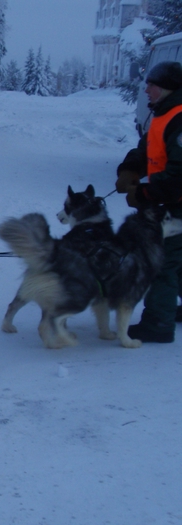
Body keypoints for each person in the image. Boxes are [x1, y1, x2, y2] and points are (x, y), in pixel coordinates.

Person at [115, 60, 182, 343]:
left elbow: (179, 175)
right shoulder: (163, 114)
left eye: (152, 85)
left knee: (163, 263)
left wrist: (144, 194)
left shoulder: (179, 119)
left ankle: (158, 323)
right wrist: (130, 169)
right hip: (169, 203)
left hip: (176, 207)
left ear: (166, 88)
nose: (146, 90)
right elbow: (147, 148)